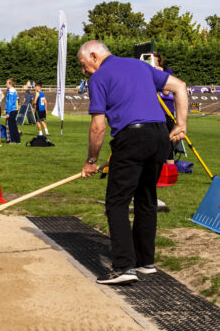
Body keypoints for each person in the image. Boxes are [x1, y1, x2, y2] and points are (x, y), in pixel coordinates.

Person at [79, 40, 188, 285]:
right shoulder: (139, 66)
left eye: (83, 65)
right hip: (159, 136)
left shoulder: (98, 78)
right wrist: (181, 124)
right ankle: (144, 261)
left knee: (116, 201)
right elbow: (180, 87)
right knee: (146, 196)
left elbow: (98, 127)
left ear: (94, 56)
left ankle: (124, 266)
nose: (84, 71)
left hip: (131, 137)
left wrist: (91, 161)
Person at [152, 52, 177, 165]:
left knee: (167, 139)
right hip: (152, 111)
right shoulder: (145, 71)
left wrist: (159, 74)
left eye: (154, 61)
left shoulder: (167, 71)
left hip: (166, 111)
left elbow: (166, 92)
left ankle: (170, 165)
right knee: (153, 139)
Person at [4, 78, 21, 143]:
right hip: (13, 109)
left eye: (7, 83)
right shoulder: (10, 90)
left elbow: (10, 102)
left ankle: (13, 140)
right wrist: (5, 109)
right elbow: (7, 101)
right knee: (13, 125)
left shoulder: (11, 91)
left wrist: (8, 112)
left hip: (12, 110)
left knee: (11, 126)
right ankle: (17, 140)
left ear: (10, 84)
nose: (5, 84)